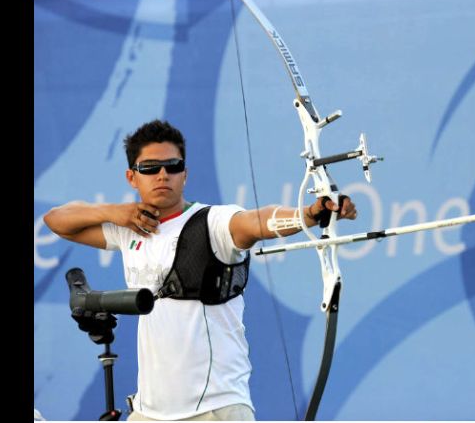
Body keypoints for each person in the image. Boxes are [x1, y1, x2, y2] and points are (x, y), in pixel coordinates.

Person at [43, 119, 357, 421]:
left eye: (173, 166)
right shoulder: (129, 229)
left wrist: (309, 214)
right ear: (132, 177)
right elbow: (57, 221)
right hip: (149, 412)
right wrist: (115, 212)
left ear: (185, 174)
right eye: (150, 168)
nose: (163, 175)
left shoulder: (214, 222)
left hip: (215, 411)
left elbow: (255, 222)